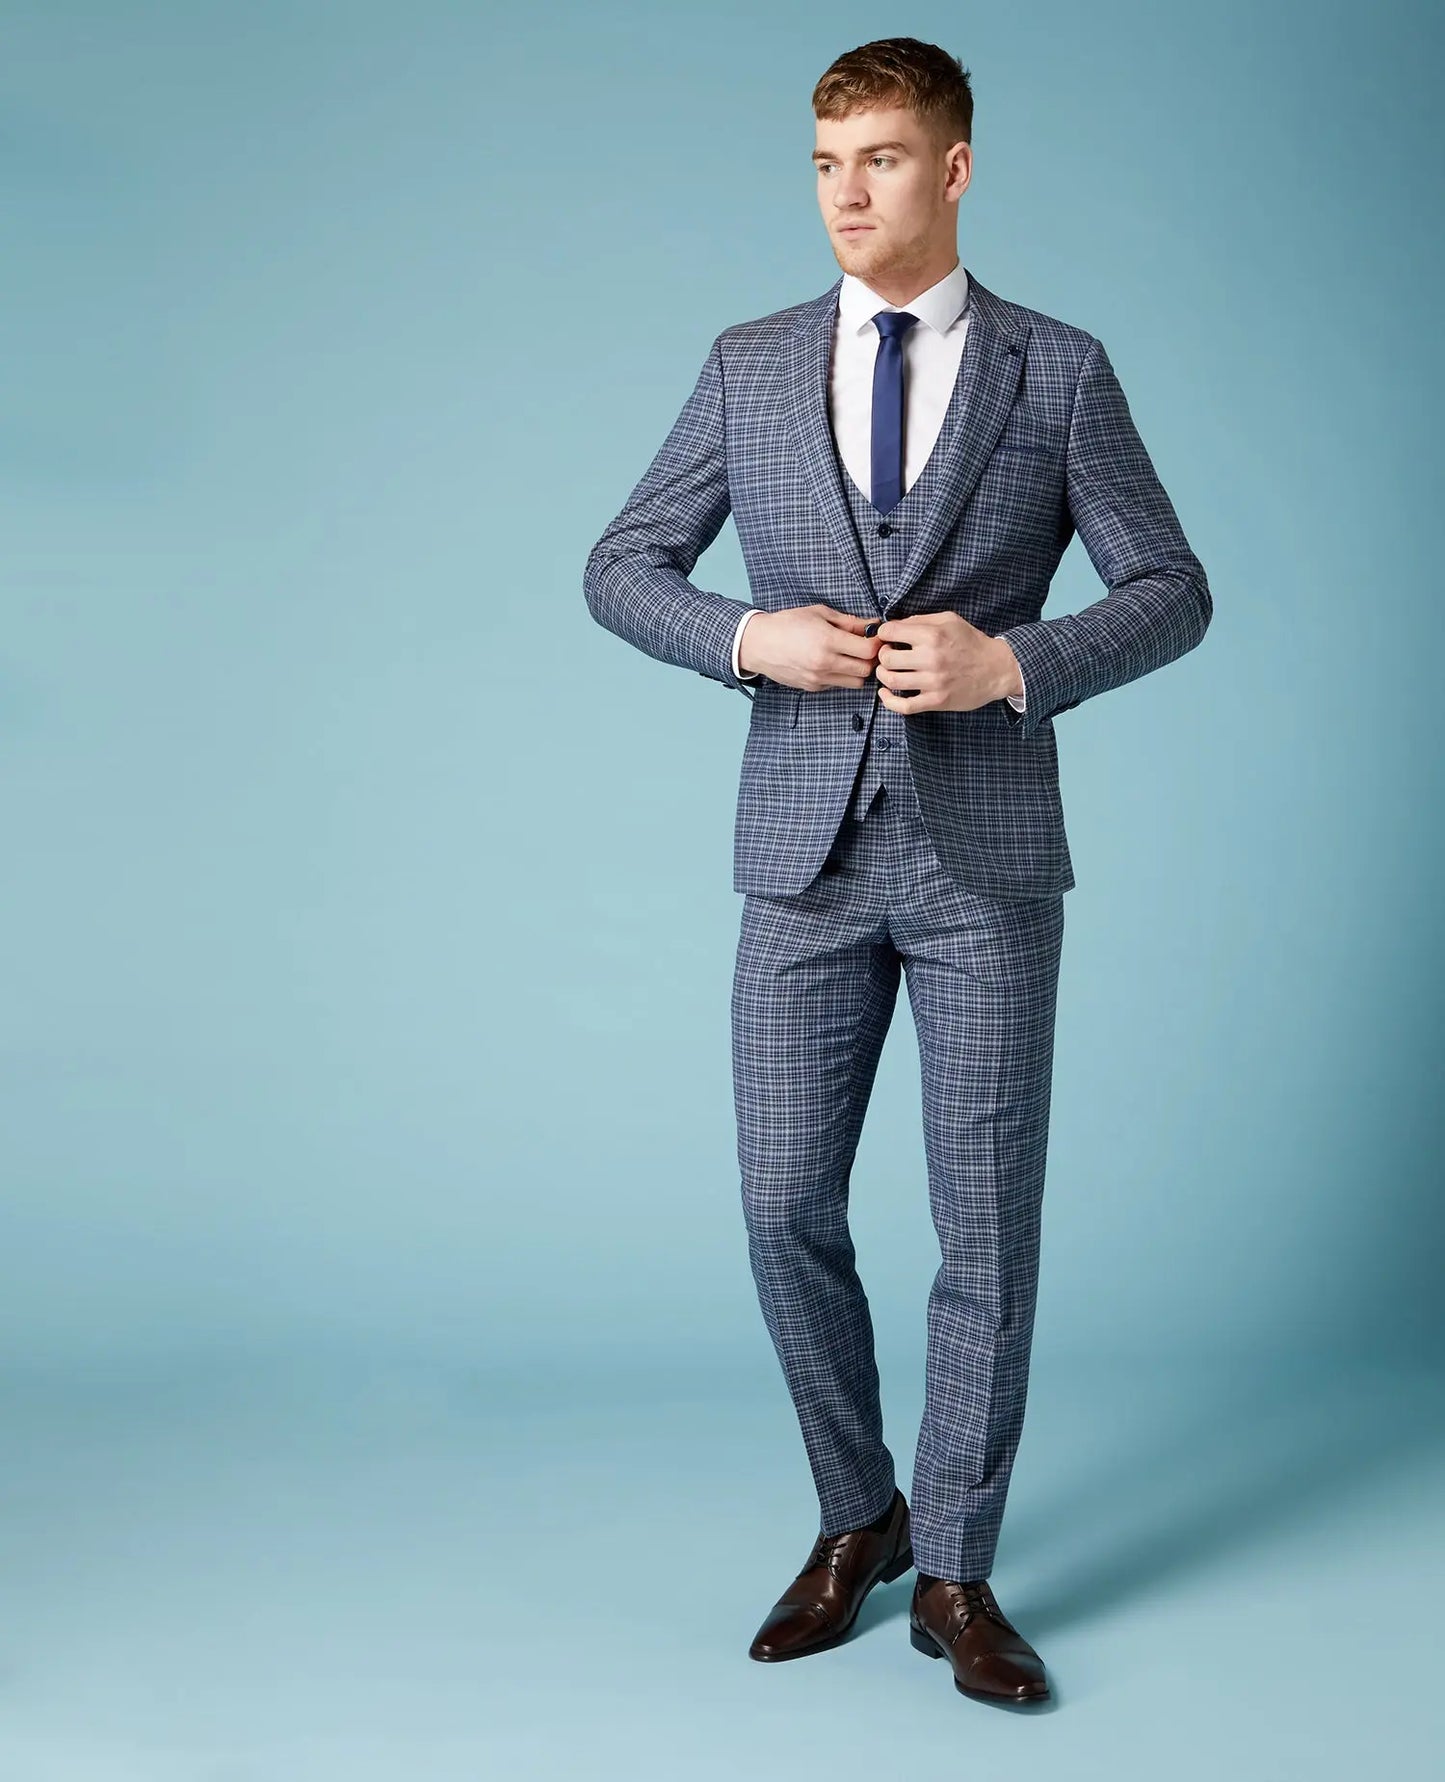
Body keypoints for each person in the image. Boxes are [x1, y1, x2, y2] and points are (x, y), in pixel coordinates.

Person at [583, 35, 1210, 1706]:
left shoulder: (1056, 370)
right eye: (821, 162)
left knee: (983, 1227)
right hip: (800, 855)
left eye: (875, 158)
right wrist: (746, 636)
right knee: (781, 1203)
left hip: (983, 863)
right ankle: (857, 1512)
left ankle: (956, 1567)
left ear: (953, 168)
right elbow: (620, 563)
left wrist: (1014, 663)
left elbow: (1170, 586)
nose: (843, 193)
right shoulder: (747, 364)